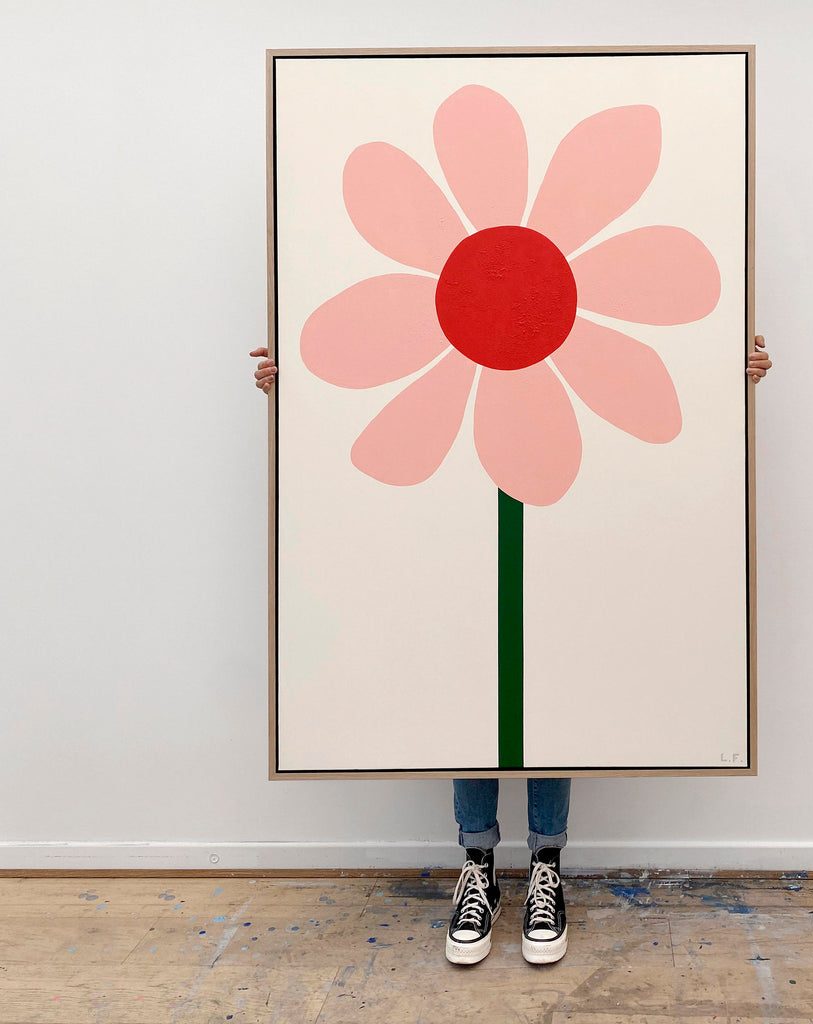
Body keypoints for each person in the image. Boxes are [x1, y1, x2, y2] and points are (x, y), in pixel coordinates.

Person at [250, 335, 772, 965]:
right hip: (452, 482)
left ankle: (544, 866)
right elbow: (374, 355)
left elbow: (637, 359)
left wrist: (719, 365)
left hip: (567, 471)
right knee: (475, 677)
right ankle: (479, 868)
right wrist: (300, 383)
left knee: (549, 673)